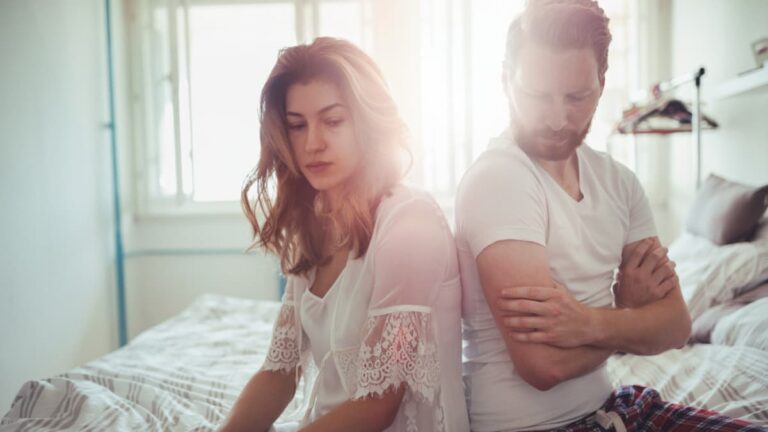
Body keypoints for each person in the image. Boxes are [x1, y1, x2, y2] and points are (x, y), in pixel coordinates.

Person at [455, 1, 763, 431]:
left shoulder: (619, 182)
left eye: (577, 97)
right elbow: (544, 366)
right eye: (537, 95)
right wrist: (630, 316)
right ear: (506, 80)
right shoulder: (500, 179)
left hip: (616, 408)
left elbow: (676, 326)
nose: (558, 119)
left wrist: (592, 321)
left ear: (601, 83)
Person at [219, 37, 469, 432]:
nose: (312, 143)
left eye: (333, 121)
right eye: (297, 126)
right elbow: (279, 374)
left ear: (368, 123)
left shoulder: (410, 224)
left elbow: (376, 407)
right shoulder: (314, 222)